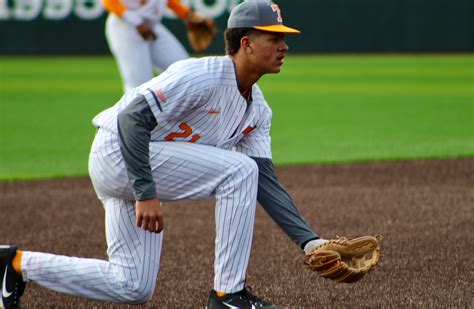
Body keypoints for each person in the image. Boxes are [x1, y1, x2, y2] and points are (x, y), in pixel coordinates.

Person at [0, 1, 328, 308]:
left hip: (137, 167)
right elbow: (130, 118)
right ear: (246, 43)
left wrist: (310, 242)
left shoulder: (258, 112)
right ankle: (229, 294)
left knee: (132, 285)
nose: (284, 46)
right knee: (238, 171)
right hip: (116, 152)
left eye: (283, 39)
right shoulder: (200, 75)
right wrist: (145, 191)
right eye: (274, 38)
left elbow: (266, 183)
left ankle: (14, 264)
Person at [102, 0, 212, 92]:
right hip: (125, 25)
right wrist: (136, 22)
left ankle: (177, 112)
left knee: (184, 69)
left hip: (151, 25)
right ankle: (131, 117)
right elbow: (109, 2)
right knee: (139, 86)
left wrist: (187, 15)